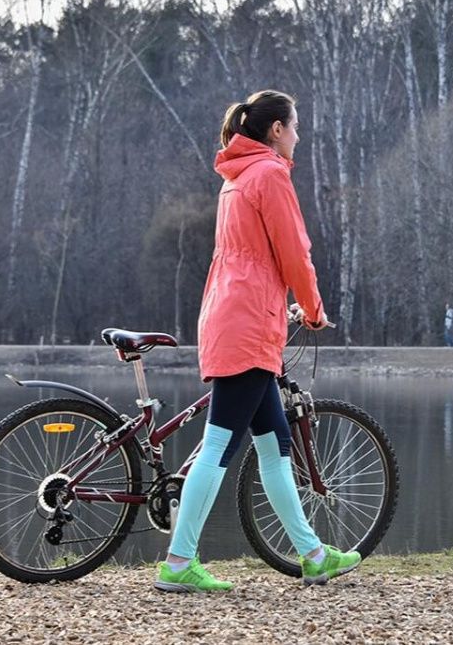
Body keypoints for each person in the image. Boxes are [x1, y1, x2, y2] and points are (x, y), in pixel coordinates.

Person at [155, 90, 359, 594]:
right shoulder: (268, 175)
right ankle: (179, 562)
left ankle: (312, 555)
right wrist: (313, 310)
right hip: (247, 325)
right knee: (219, 446)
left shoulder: (238, 178)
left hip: (235, 315)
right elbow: (294, 252)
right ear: (275, 130)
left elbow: (254, 259)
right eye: (295, 126)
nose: (299, 136)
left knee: (274, 447)